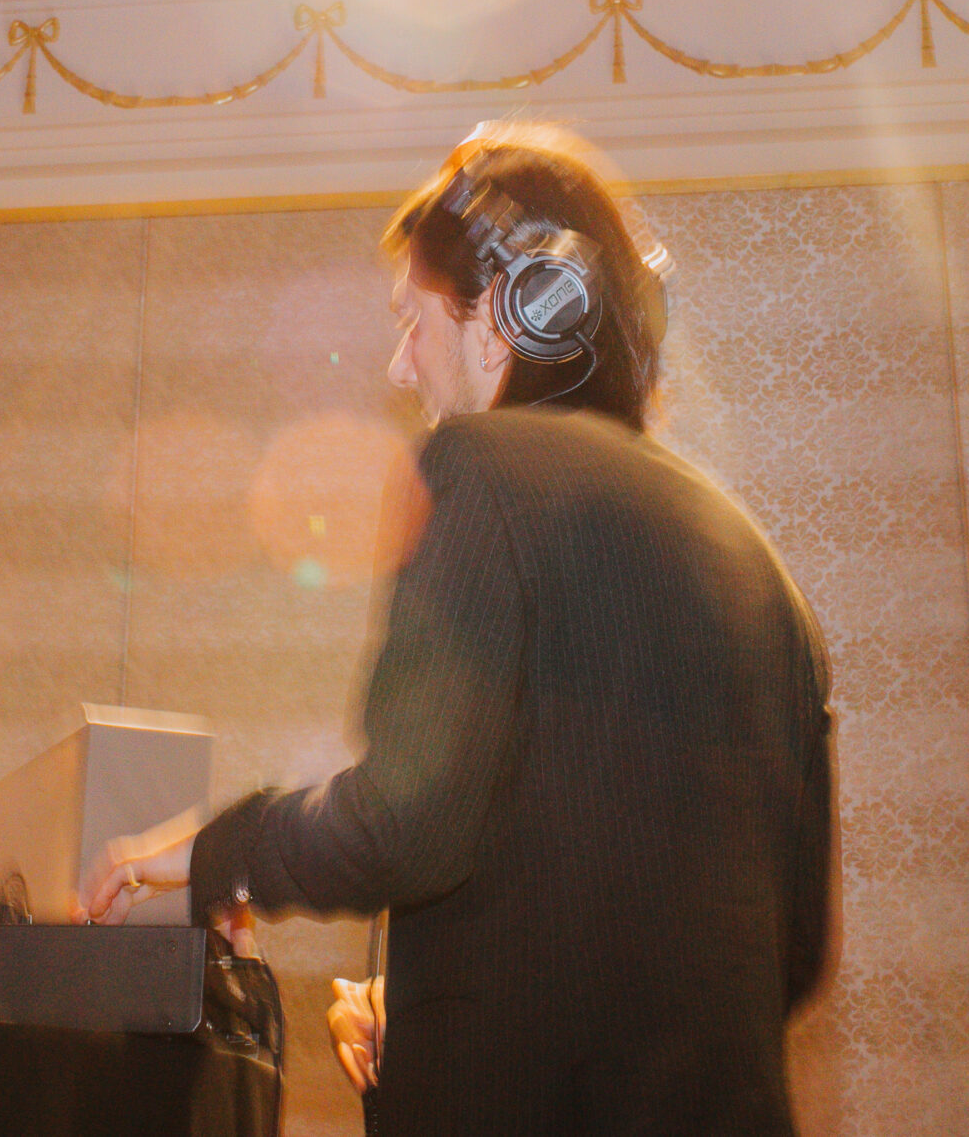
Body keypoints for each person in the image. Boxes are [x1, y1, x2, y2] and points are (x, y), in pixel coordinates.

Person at [79, 122, 838, 1136]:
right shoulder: (756, 562)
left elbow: (404, 824)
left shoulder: (478, 469)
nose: (400, 366)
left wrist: (215, 851)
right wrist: (451, 1011)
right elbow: (793, 954)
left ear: (509, 311)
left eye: (411, 318)